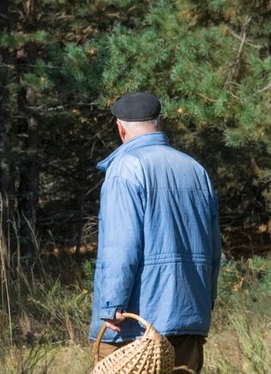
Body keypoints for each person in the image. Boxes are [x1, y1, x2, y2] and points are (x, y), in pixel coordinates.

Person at [90, 91, 221, 374]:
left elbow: (120, 247)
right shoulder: (196, 170)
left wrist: (112, 305)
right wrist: (204, 300)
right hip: (189, 317)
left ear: (120, 127)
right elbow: (213, 250)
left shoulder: (125, 169)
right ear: (159, 123)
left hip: (135, 328)